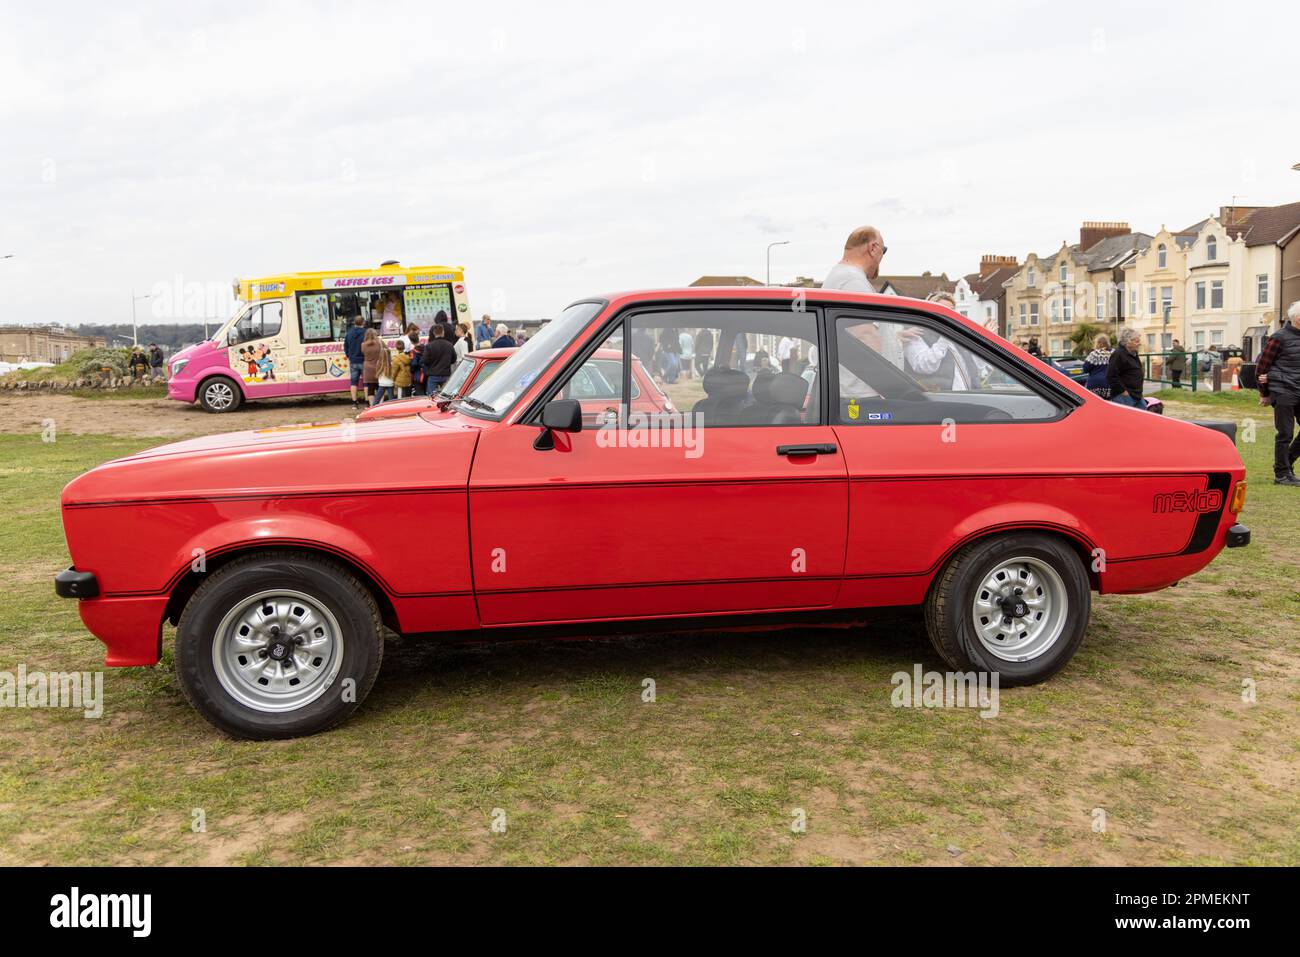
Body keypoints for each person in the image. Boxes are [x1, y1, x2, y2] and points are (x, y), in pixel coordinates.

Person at [822, 225, 913, 367]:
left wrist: (893, 340)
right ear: (873, 248)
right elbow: (865, 337)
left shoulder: (841, 277)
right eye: (884, 250)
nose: (882, 257)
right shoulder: (853, 280)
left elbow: (850, 336)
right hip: (862, 388)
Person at [1256, 300, 1300, 486]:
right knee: (1285, 433)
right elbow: (1261, 367)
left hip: (1298, 388)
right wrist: (1265, 393)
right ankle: (1281, 475)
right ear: (1299, 318)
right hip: (1283, 390)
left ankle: (1286, 463)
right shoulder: (1279, 337)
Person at [1107, 327, 1146, 408]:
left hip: (1136, 394)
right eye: (1137, 341)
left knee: (1143, 416)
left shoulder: (1133, 353)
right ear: (1128, 342)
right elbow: (1111, 376)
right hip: (1124, 396)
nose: (1139, 343)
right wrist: (1123, 391)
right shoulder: (1118, 354)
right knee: (1126, 419)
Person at [423, 323, 457, 396]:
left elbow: (425, 361)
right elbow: (454, 359)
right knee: (446, 398)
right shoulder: (449, 345)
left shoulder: (429, 346)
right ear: (443, 332)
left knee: (431, 398)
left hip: (433, 375)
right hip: (446, 374)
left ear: (434, 333)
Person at [361, 328, 389, 407]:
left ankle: (372, 406)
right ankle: (380, 405)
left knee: (370, 388)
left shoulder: (363, 345)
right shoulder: (380, 343)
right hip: (378, 367)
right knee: (380, 387)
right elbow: (387, 350)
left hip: (367, 369)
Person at [344, 316, 367, 409]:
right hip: (364, 361)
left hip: (353, 361)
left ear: (354, 323)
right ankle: (367, 403)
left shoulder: (349, 333)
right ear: (363, 323)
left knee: (353, 383)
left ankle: (354, 403)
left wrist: (350, 357)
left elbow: (346, 347)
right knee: (366, 383)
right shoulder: (366, 333)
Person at [1082, 334, 1113, 399]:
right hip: (1109, 385)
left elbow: (1085, 369)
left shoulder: (1094, 353)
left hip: (1094, 385)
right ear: (1108, 343)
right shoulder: (1114, 353)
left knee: (1094, 404)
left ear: (1097, 343)